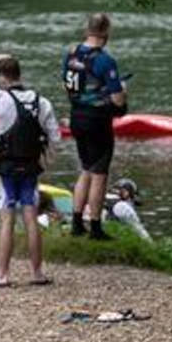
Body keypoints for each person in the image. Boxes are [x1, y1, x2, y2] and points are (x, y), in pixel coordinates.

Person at [0, 54, 63, 287]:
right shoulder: (42, 102)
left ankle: (2, 276)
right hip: (30, 168)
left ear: (0, 78)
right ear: (20, 74)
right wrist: (47, 158)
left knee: (7, 221)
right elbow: (55, 138)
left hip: (6, 169)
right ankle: (37, 274)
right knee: (31, 219)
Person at [62, 13, 127, 240]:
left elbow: (67, 87)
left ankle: (77, 224)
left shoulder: (70, 54)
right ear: (107, 31)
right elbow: (118, 101)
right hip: (97, 121)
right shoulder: (105, 60)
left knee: (86, 169)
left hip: (76, 117)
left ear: (86, 29)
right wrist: (122, 90)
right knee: (100, 174)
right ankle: (96, 228)